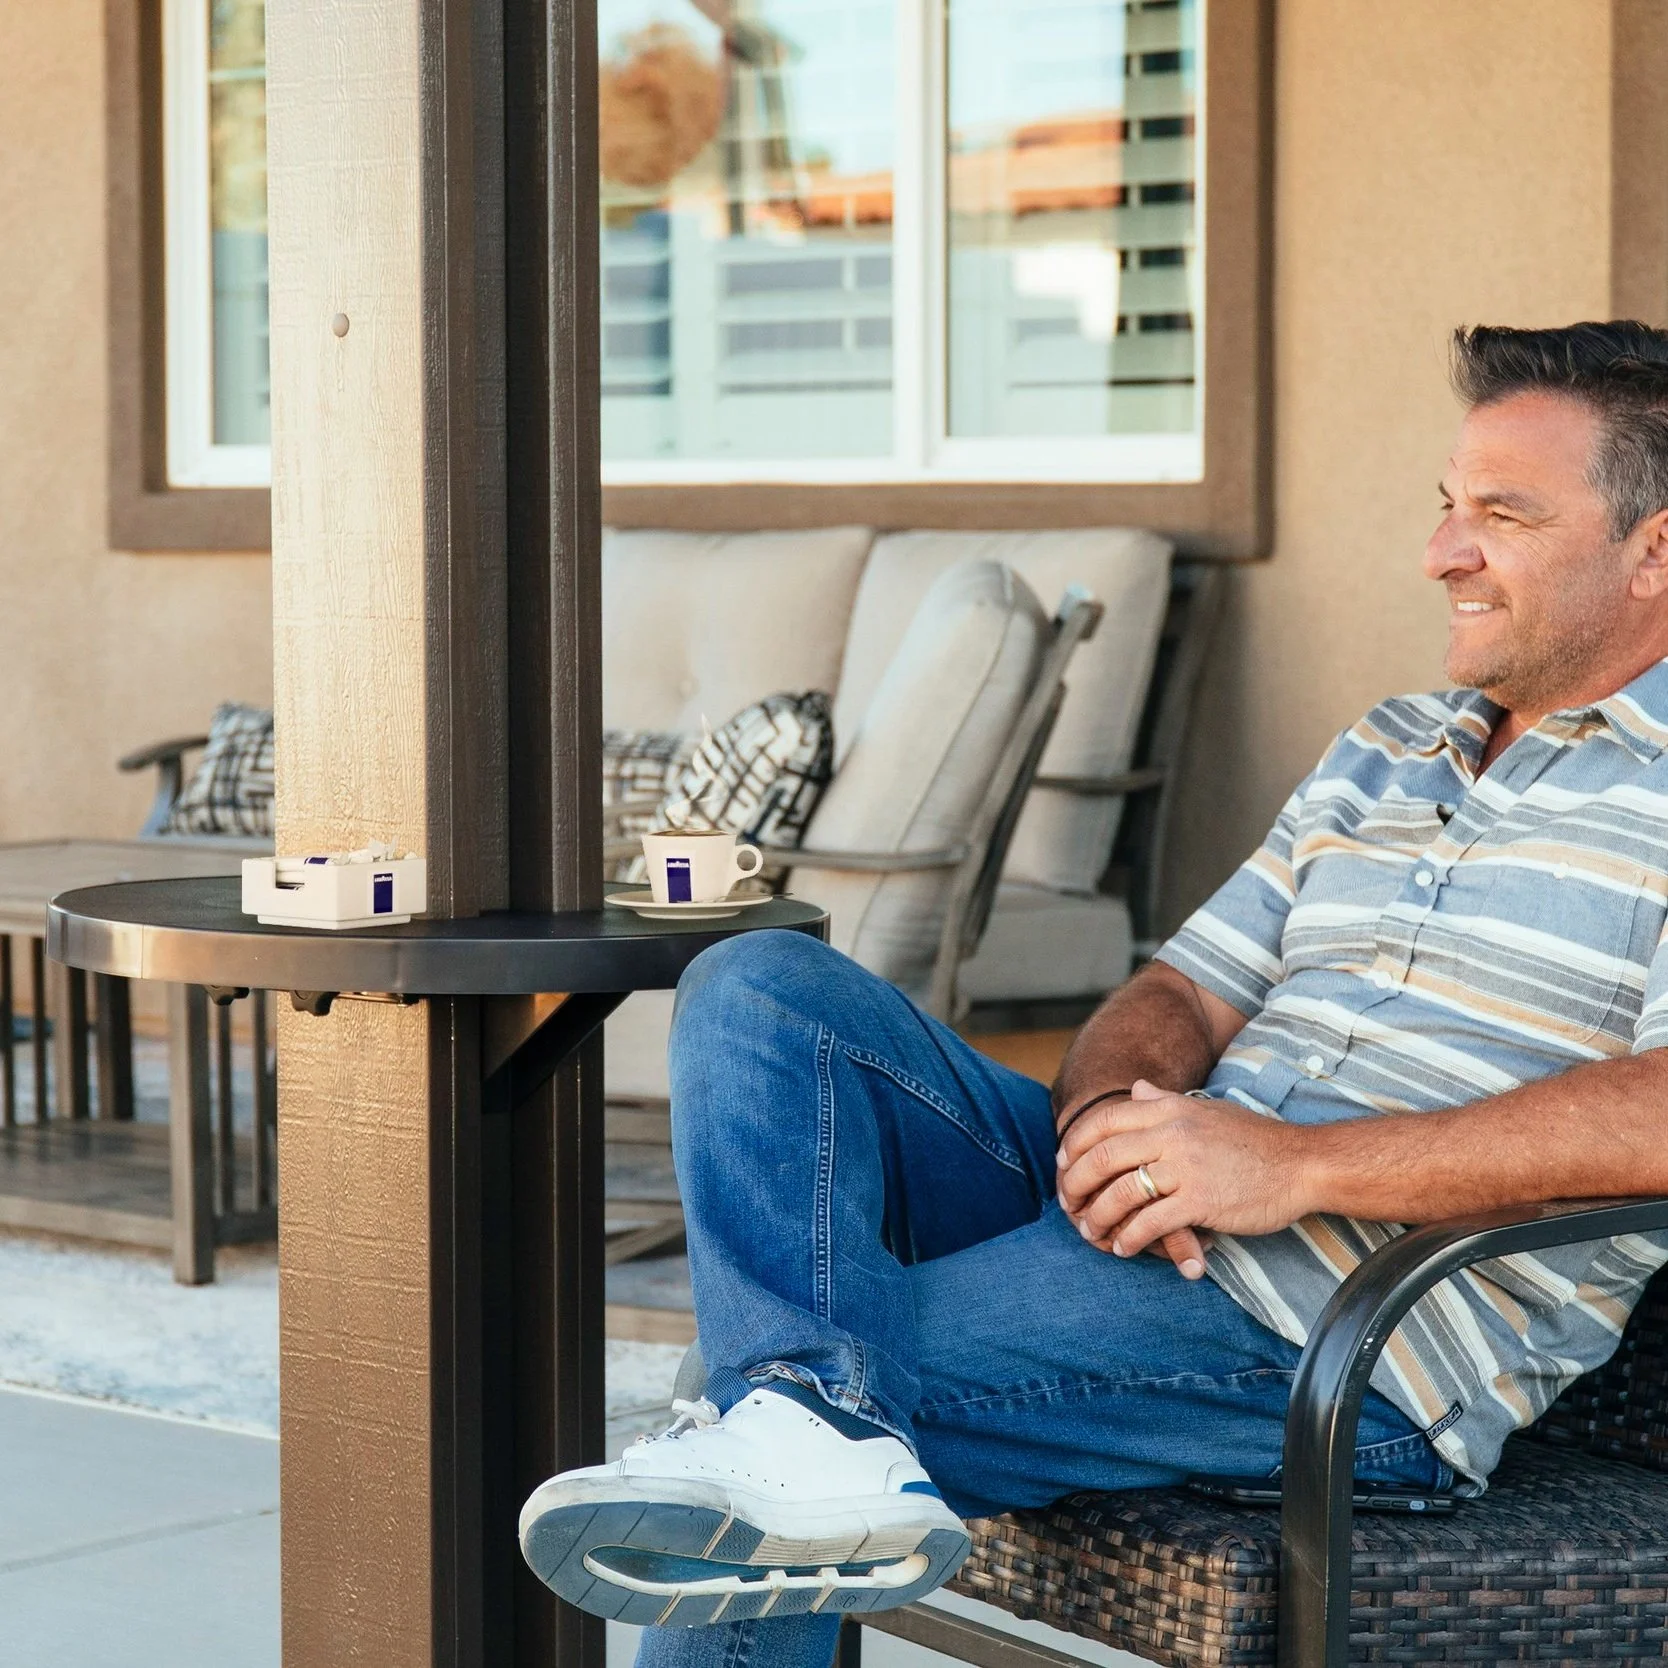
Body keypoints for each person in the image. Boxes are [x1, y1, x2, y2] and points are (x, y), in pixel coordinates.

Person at [521, 320, 1668, 1667]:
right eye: (1445, 506)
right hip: (1166, 1218)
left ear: (1654, 550)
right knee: (762, 982)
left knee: (764, 1449)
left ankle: (799, 1423)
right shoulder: (1389, 746)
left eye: (1503, 515)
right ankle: (803, 1415)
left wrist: (1287, 1169)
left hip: (1346, 1332)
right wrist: (1116, 1134)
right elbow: (1184, 987)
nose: (1441, 553)